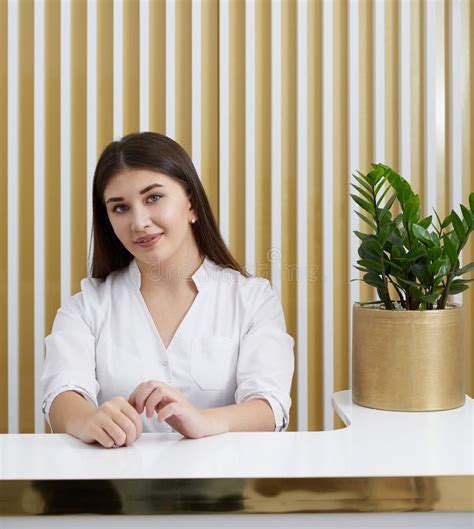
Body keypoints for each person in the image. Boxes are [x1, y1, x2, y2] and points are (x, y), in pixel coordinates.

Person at [40, 131, 295, 448]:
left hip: (223, 490)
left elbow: (269, 407)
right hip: (115, 492)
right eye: (120, 208)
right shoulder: (87, 306)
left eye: (153, 198)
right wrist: (86, 421)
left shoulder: (252, 300)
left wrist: (203, 421)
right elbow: (63, 393)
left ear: (191, 205)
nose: (139, 222)